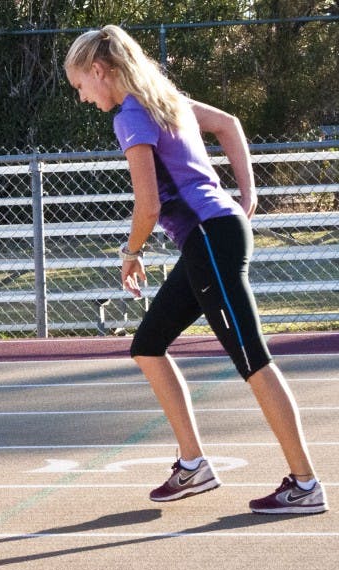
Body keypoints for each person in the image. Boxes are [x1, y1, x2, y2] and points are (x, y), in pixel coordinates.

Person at [64, 25, 327, 515]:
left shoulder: (131, 115)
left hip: (210, 239)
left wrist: (130, 253)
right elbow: (229, 123)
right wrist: (247, 195)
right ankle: (193, 465)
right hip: (212, 237)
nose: (83, 97)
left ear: (99, 71)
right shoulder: (163, 99)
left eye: (81, 85)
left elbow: (146, 205)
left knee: (253, 359)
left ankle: (306, 484)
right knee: (147, 345)